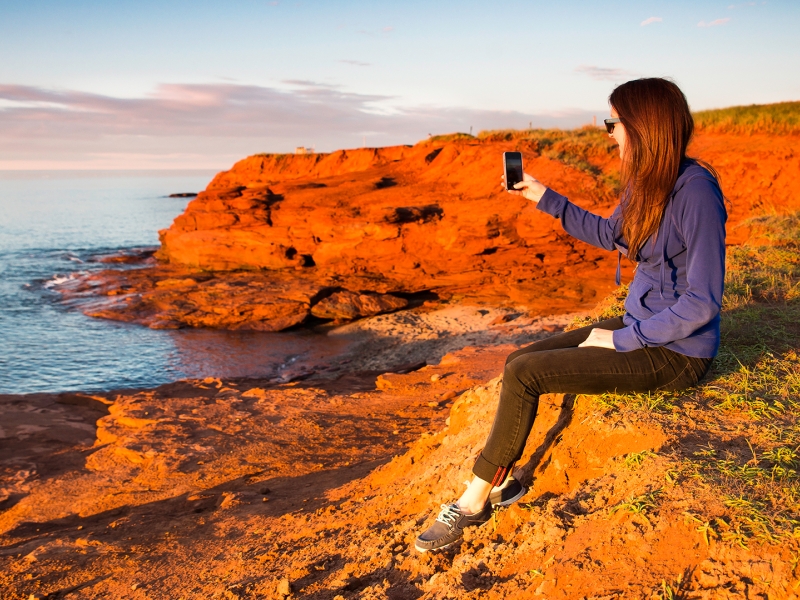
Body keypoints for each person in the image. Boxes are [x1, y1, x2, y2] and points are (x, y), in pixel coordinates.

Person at [415, 78, 727, 552]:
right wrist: (541, 195)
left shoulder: (696, 192)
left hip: (677, 351)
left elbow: (703, 300)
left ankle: (475, 499)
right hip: (641, 327)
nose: (608, 132)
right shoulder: (649, 182)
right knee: (520, 359)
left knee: (526, 374)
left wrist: (625, 340)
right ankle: (505, 483)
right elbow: (610, 234)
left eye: (613, 123)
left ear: (643, 127)